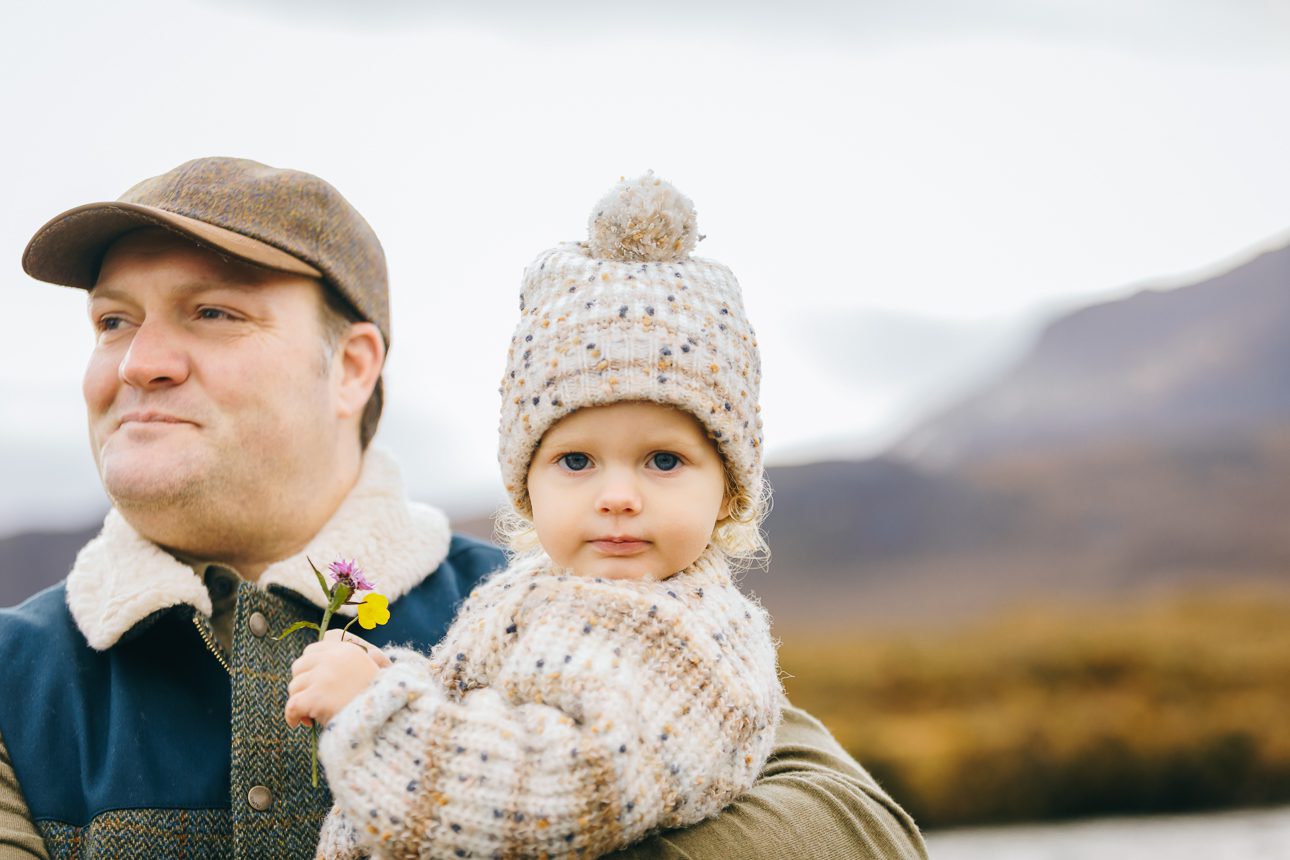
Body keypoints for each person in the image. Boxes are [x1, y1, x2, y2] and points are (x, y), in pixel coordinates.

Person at [0, 157, 927, 860]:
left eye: (213, 314)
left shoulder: (574, 601)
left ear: (353, 368)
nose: (138, 363)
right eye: (113, 321)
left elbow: (861, 832)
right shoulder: (13, 678)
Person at [285, 174, 782, 859]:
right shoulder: (530, 592)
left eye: (664, 461)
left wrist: (373, 710)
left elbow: (558, 791)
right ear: (527, 487)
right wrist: (391, 676)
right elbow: (476, 703)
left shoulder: (692, 645)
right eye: (576, 462)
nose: (618, 496)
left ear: (729, 490)